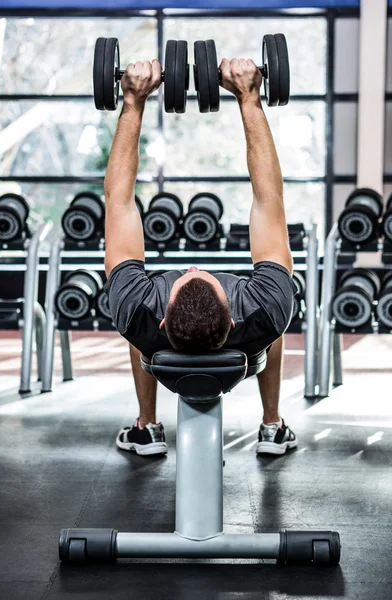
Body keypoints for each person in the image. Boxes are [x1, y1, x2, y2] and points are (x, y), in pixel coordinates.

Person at [104, 55, 297, 457]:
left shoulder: (137, 310)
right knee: (275, 328)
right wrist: (248, 98)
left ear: (163, 317)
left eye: (185, 275)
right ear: (232, 316)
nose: (194, 267)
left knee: (134, 333)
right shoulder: (263, 308)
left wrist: (133, 101)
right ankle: (272, 424)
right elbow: (269, 200)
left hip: (157, 348)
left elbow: (119, 202)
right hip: (248, 346)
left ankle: (148, 427)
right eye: (202, 274)